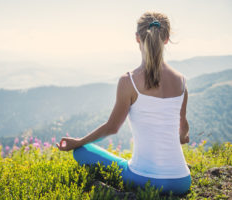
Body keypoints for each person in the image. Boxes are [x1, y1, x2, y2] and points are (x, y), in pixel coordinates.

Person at [56, 11, 191, 196]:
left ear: (137, 38)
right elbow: (183, 128)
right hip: (182, 181)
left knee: (82, 151)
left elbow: (112, 128)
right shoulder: (182, 81)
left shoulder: (129, 81)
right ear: (166, 38)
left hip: (143, 179)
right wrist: (182, 137)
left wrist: (79, 141)